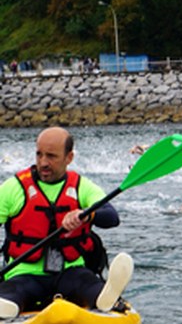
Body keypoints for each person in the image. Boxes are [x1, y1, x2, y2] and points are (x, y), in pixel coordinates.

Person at [0, 127, 130, 318]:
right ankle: (5, 306)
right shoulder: (14, 188)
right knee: (12, 293)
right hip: (24, 274)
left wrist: (86, 215)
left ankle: (106, 297)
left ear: (69, 157)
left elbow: (111, 217)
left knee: (90, 286)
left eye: (51, 156)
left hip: (71, 272)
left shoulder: (81, 186)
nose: (43, 162)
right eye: (39, 154)